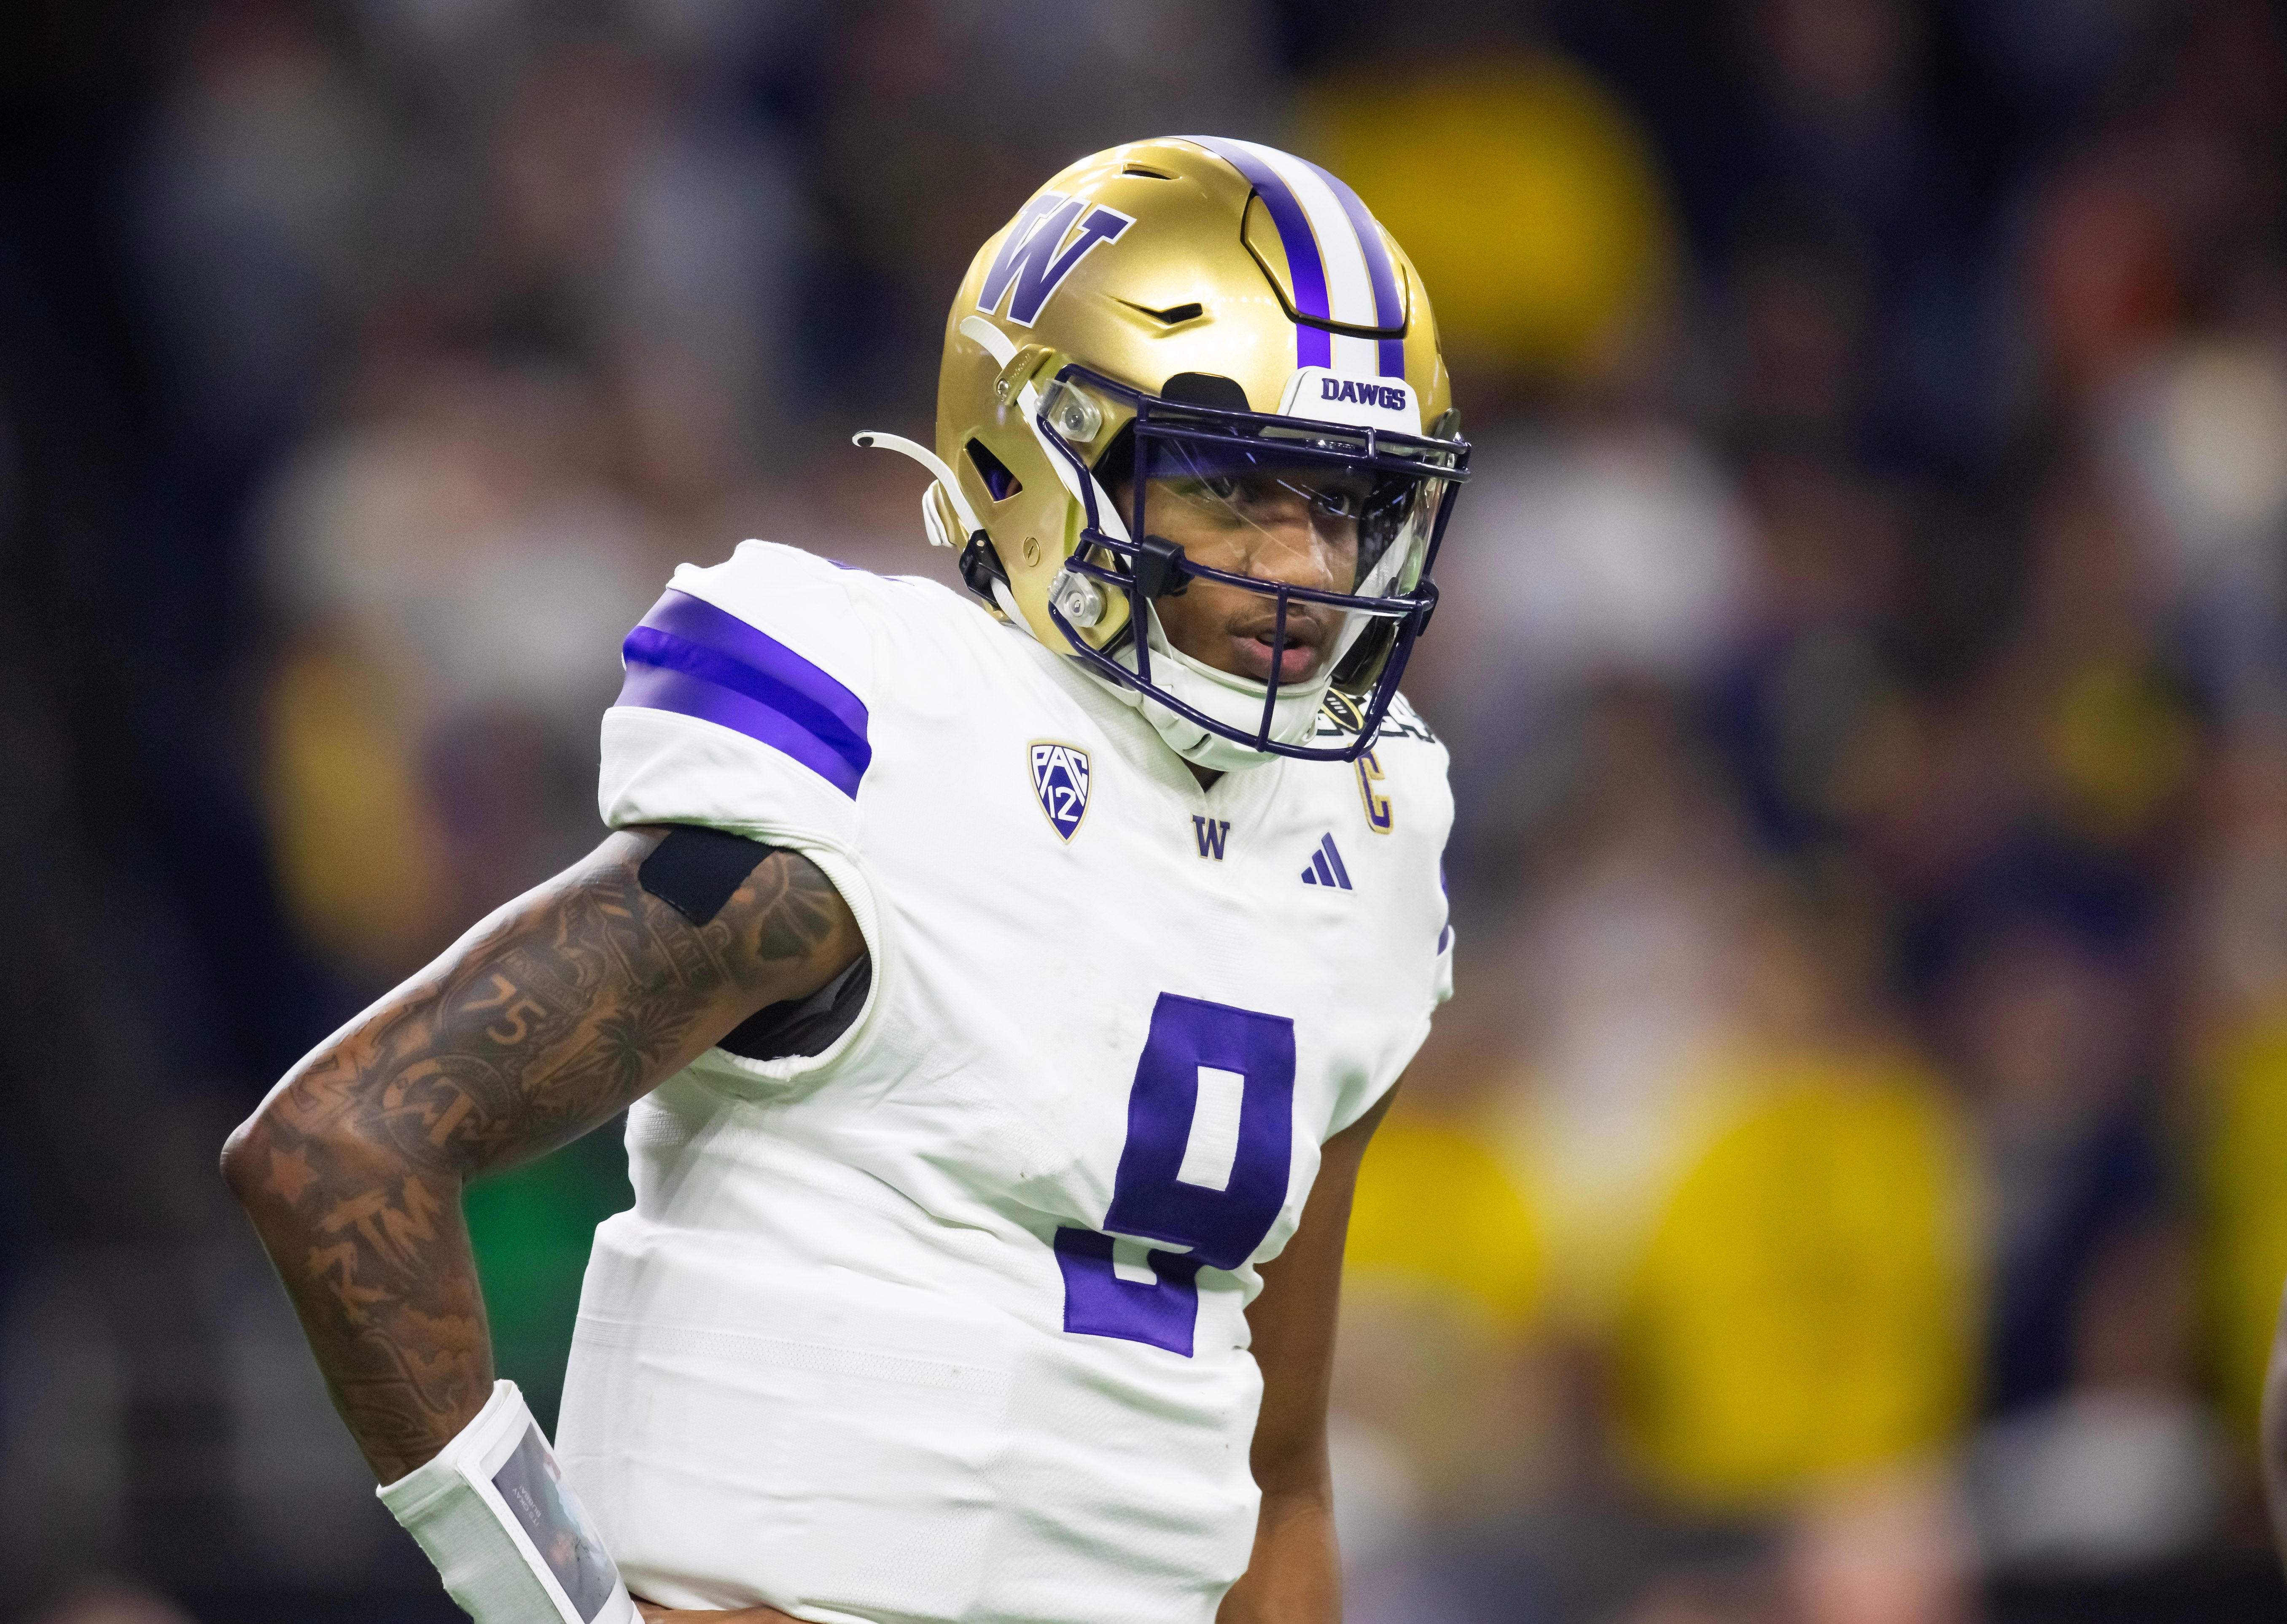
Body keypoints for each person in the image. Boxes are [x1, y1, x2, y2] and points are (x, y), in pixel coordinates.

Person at [224, 134, 1468, 1624]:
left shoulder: (1370, 831)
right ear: (1050, 447)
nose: (1311, 566)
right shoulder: (891, 741)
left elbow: (1281, 1470)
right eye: (1240, 488)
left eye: (1346, 500)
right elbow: (341, 1146)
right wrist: (558, 1605)